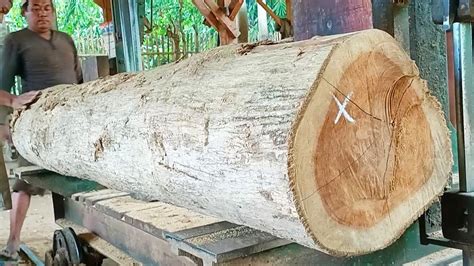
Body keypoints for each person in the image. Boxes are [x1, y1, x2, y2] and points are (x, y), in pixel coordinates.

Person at [0, 0, 82, 260]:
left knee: (81, 178)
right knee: (25, 183)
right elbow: (2, 86)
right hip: (37, 126)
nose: (42, 13)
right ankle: (13, 242)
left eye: (47, 8)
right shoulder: (17, 41)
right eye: (35, 8)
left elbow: (79, 81)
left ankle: (84, 230)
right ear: (24, 13)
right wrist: (5, 119)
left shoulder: (67, 40)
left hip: (71, 122)